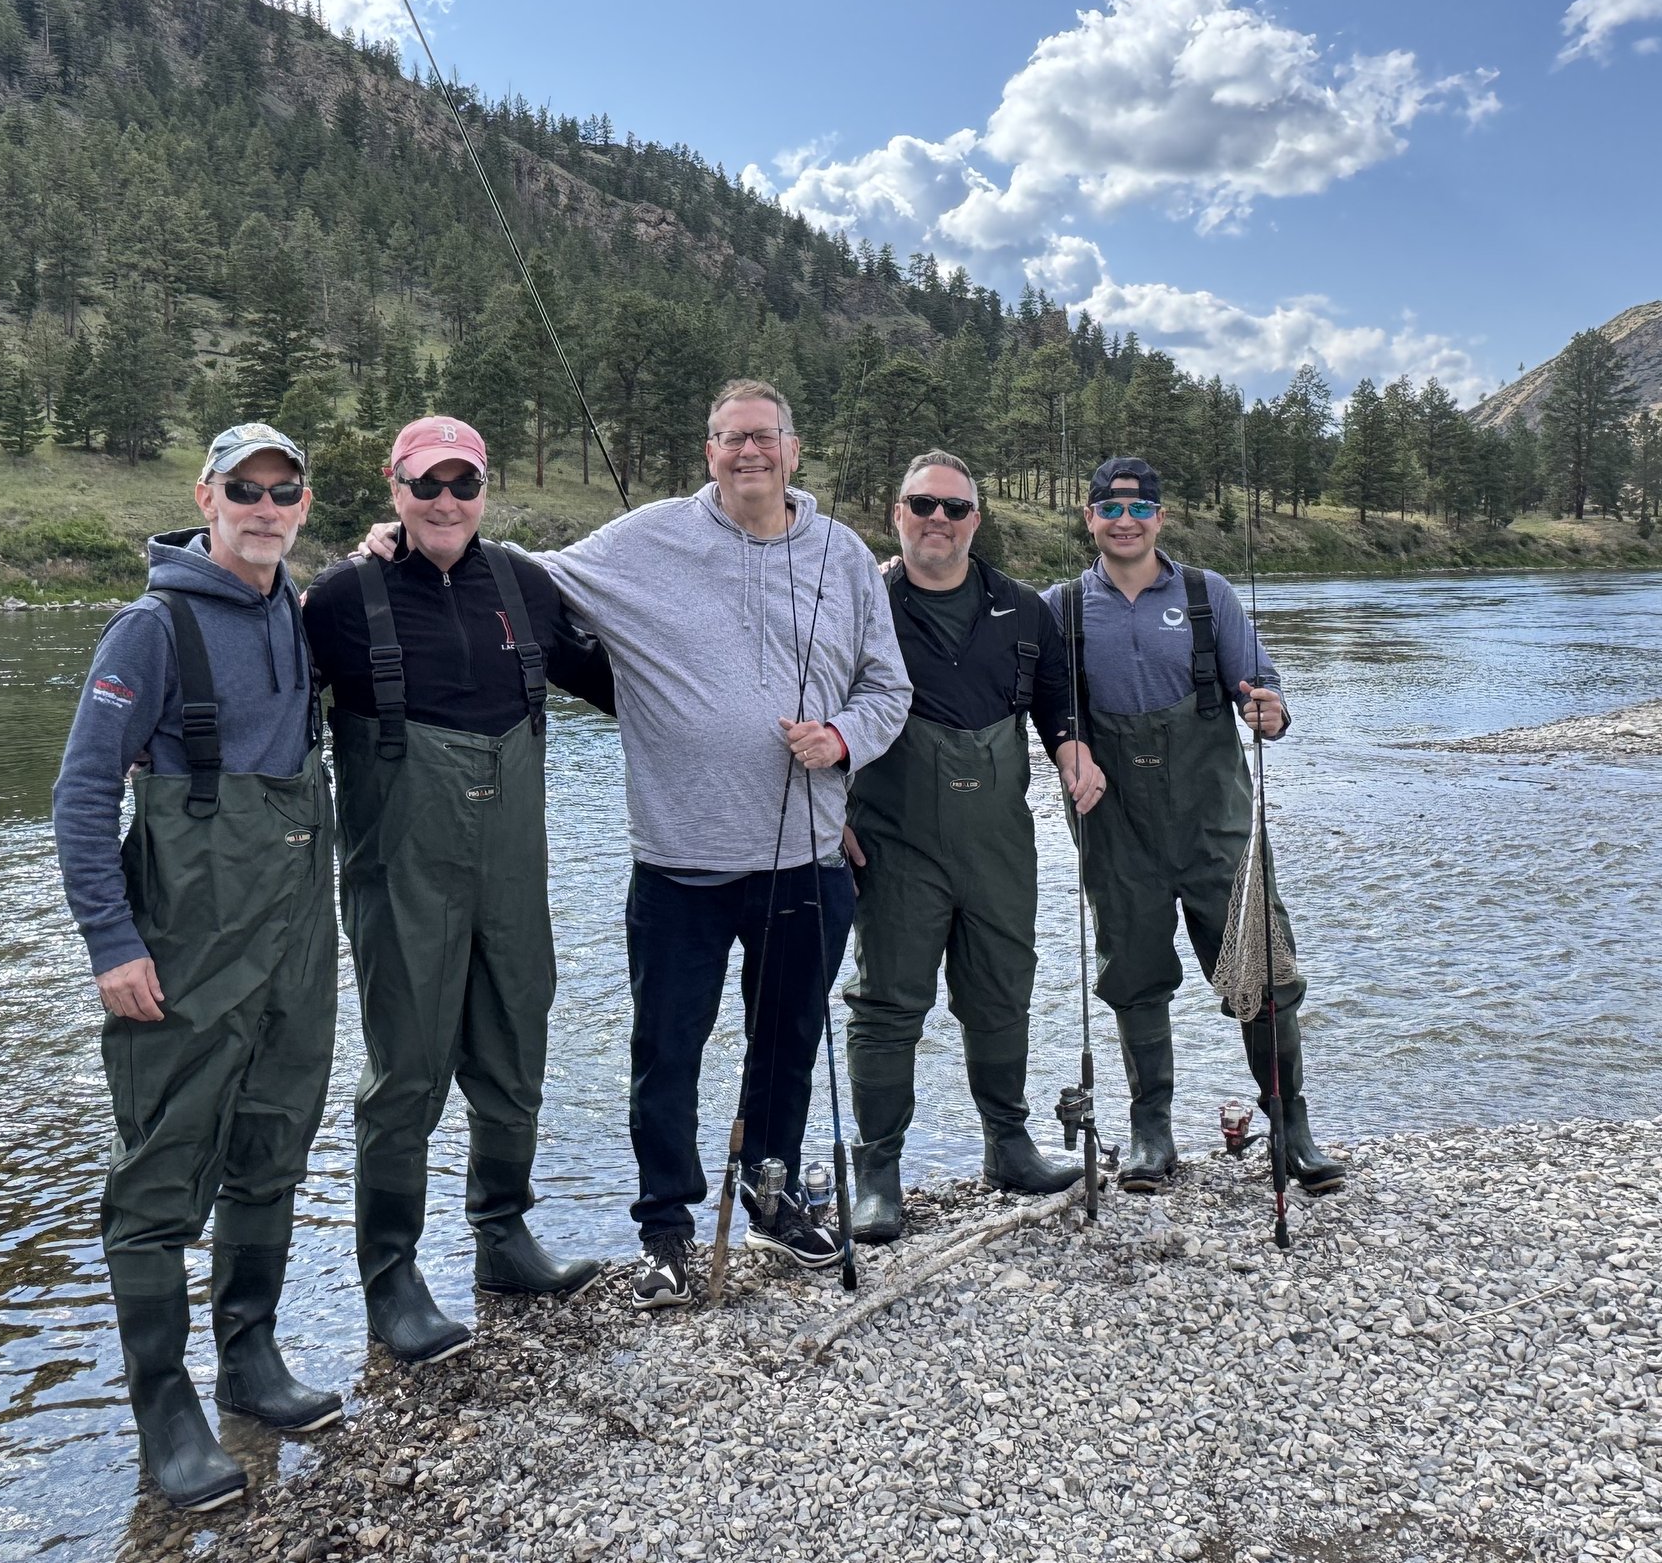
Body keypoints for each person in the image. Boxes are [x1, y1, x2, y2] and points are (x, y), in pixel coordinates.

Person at [534, 380, 911, 1308]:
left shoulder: (847, 555)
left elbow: (887, 687)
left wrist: (842, 738)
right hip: (678, 865)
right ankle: (665, 1228)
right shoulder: (647, 536)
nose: (749, 452)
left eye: (765, 438)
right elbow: (532, 576)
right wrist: (398, 549)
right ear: (708, 451)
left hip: (808, 859)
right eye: (730, 438)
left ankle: (772, 1193)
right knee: (668, 1048)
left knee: (786, 1041)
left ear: (794, 448)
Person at [51, 422, 338, 1513]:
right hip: (182, 941)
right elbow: (81, 795)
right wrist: (111, 944)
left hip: (296, 937)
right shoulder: (149, 626)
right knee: (163, 1169)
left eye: (284, 490)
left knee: (274, 1138)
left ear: (302, 506)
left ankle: (250, 1359)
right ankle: (164, 1405)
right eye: (244, 489)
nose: (264, 507)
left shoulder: (297, 614)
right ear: (205, 496)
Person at [304, 416, 615, 1367]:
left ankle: (503, 1237)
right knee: (406, 1073)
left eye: (463, 484)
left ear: (486, 491)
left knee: (517, 1043)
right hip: (401, 875)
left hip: (513, 870)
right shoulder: (341, 597)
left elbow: (625, 683)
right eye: (426, 484)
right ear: (392, 487)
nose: (445, 502)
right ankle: (390, 1276)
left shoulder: (524, 583)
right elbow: (264, 711)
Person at [1044, 456, 1349, 1198]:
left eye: (1139, 508)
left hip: (1216, 825)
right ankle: (1152, 1131)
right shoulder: (1059, 608)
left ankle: (1291, 1123)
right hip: (1116, 829)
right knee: (1133, 978)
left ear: (1161, 516)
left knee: (1264, 970)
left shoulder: (1208, 595)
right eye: (1109, 509)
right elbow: (1041, 706)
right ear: (1088, 518)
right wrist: (1067, 747)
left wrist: (1271, 711)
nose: (1125, 521)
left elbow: (1265, 687)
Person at [840, 451, 1105, 1241]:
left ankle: (1009, 1146)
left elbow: (1057, 698)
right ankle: (879, 1174)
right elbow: (817, 706)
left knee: (1001, 992)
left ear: (975, 521)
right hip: (891, 842)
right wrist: (830, 814)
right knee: (887, 1003)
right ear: (897, 513)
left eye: (955, 509)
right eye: (923, 505)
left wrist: (1070, 748)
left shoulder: (1024, 609)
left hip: (999, 843)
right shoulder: (860, 605)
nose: (938, 521)